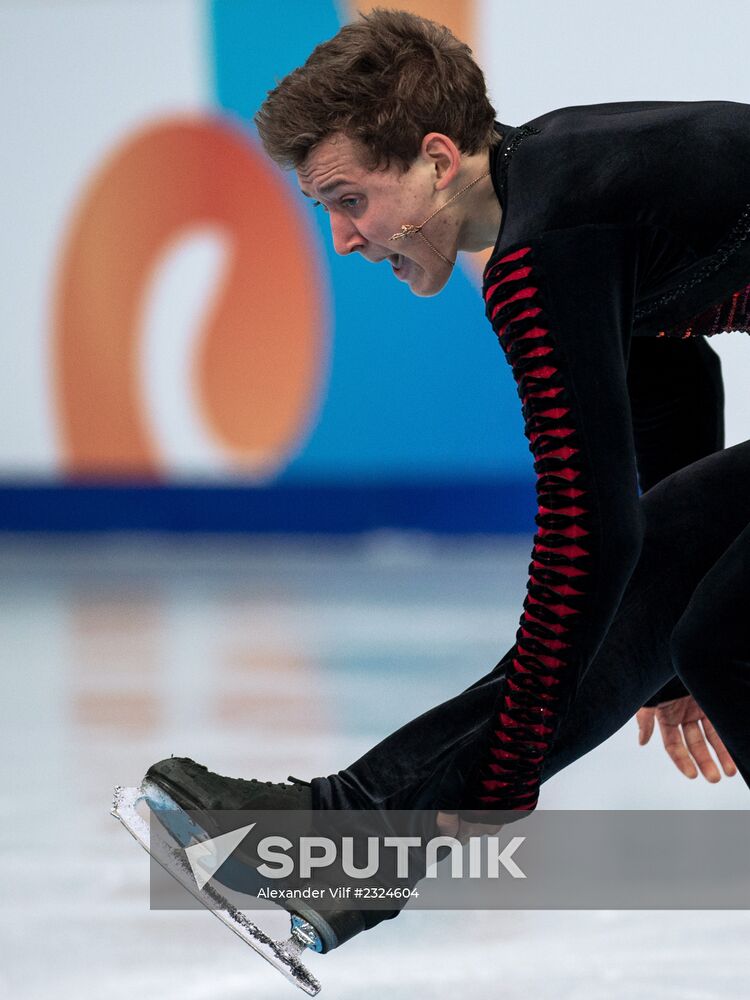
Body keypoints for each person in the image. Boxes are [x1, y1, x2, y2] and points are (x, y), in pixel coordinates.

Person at [144, 7, 748, 949]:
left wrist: (501, 776)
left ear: (436, 157)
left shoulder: (544, 246)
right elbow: (673, 380)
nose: (344, 240)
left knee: (725, 631)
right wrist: (656, 660)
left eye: (350, 200)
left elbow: (590, 535)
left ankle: (351, 839)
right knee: (703, 623)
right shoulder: (562, 186)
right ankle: (352, 846)